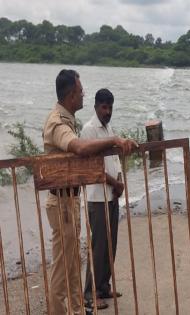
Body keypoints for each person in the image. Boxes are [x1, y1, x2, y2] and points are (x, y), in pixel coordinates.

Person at [43, 69, 138, 314]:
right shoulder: (57, 122)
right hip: (61, 201)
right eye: (81, 90)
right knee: (63, 265)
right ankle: (58, 310)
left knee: (73, 261)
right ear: (71, 94)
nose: (83, 94)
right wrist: (115, 140)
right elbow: (80, 148)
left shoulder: (68, 120)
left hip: (70, 200)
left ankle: (76, 309)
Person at [82, 89, 124, 310]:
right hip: (97, 197)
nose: (107, 112)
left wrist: (119, 182)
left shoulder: (109, 128)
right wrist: (115, 184)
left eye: (110, 107)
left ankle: (103, 286)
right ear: (96, 106)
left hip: (111, 195)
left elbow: (113, 160)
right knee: (98, 247)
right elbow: (92, 168)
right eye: (104, 107)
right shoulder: (89, 130)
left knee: (111, 245)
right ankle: (90, 294)